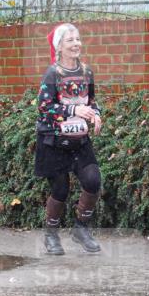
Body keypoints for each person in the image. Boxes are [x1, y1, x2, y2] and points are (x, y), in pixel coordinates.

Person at [34, 23, 103, 255]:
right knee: (60, 189)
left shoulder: (87, 72)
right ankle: (51, 236)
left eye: (78, 39)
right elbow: (44, 107)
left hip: (79, 141)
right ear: (60, 47)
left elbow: (91, 101)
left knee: (93, 180)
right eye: (70, 40)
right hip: (53, 141)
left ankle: (80, 229)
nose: (76, 44)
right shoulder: (52, 74)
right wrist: (73, 111)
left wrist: (96, 115)